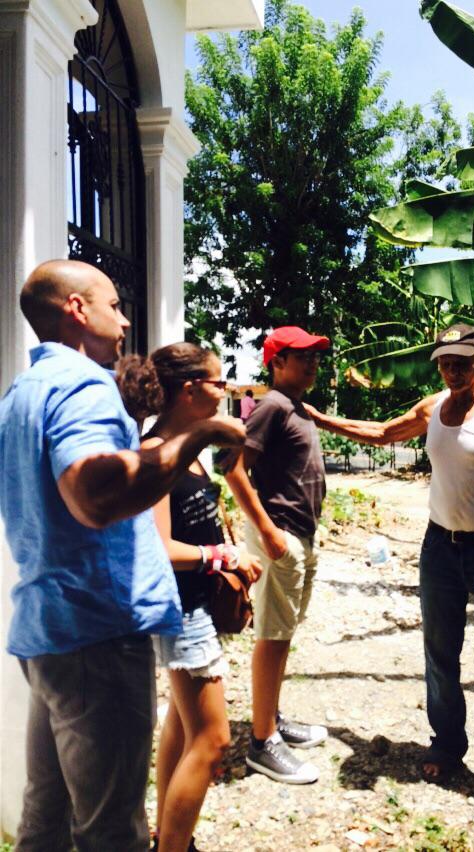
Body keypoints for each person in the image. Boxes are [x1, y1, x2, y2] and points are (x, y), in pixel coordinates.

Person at [0, 260, 245, 852]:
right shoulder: (82, 384)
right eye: (113, 305)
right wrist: (199, 435)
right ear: (77, 310)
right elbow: (95, 494)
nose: (125, 319)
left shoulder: (21, 393)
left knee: (45, 824)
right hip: (98, 635)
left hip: (49, 632)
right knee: (111, 832)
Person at [305, 323, 474, 784]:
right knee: (440, 650)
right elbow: (383, 433)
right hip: (440, 547)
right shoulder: (433, 408)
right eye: (444, 363)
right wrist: (321, 420)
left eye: (461, 362)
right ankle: (447, 742)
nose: (452, 371)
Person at [117, 344, 262, 852]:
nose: (225, 392)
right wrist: (221, 557)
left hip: (194, 604)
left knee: (181, 727)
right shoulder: (158, 454)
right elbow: (159, 548)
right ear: (189, 389)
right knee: (214, 739)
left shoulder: (188, 449)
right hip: (181, 611)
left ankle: (168, 836)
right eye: (218, 383)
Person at [223, 326, 331, 784]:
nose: (312, 363)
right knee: (272, 634)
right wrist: (268, 532)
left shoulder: (295, 406)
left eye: (315, 356)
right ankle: (262, 742)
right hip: (281, 535)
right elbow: (232, 468)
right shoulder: (272, 406)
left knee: (283, 632)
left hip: (299, 534)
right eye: (302, 356)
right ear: (277, 362)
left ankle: (271, 717)